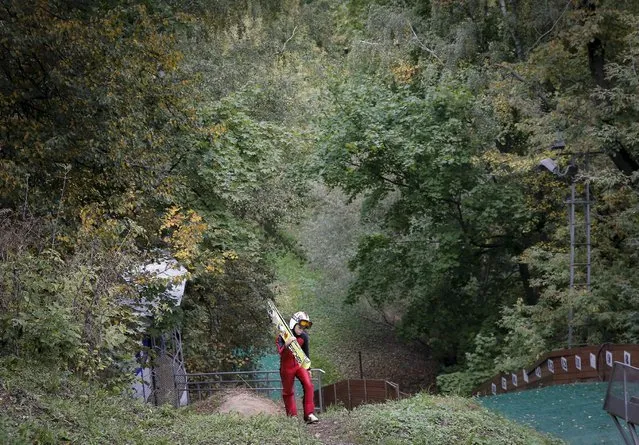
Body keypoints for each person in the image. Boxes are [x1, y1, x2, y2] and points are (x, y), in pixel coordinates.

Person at [277, 311, 319, 424]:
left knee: (309, 385)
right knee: (288, 391)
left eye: (304, 327)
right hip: (286, 367)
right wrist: (287, 343)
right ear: (294, 323)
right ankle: (292, 417)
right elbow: (280, 351)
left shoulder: (304, 336)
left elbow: (306, 353)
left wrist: (308, 369)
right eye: (300, 326)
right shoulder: (283, 335)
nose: (301, 329)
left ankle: (309, 414)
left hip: (299, 365)